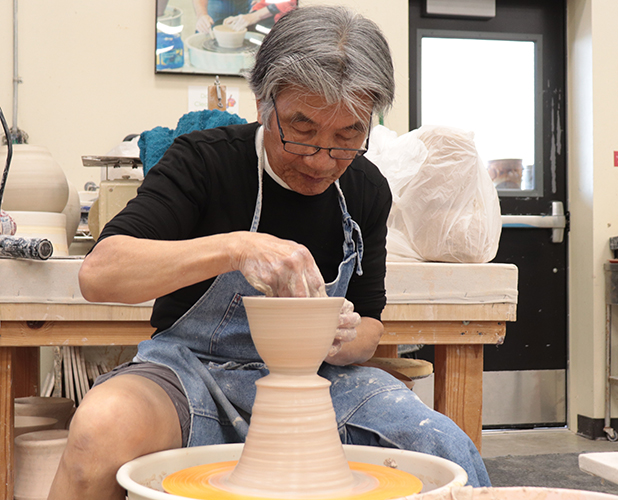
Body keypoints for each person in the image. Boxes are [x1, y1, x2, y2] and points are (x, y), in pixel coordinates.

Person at [48, 6, 490, 500]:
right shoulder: (203, 161)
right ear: (264, 103)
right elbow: (100, 274)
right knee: (98, 431)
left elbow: (371, 324)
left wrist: (345, 339)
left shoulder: (366, 188)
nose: (321, 160)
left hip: (320, 383)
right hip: (191, 373)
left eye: (347, 138)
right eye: (301, 130)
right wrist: (236, 248)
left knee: (444, 446)